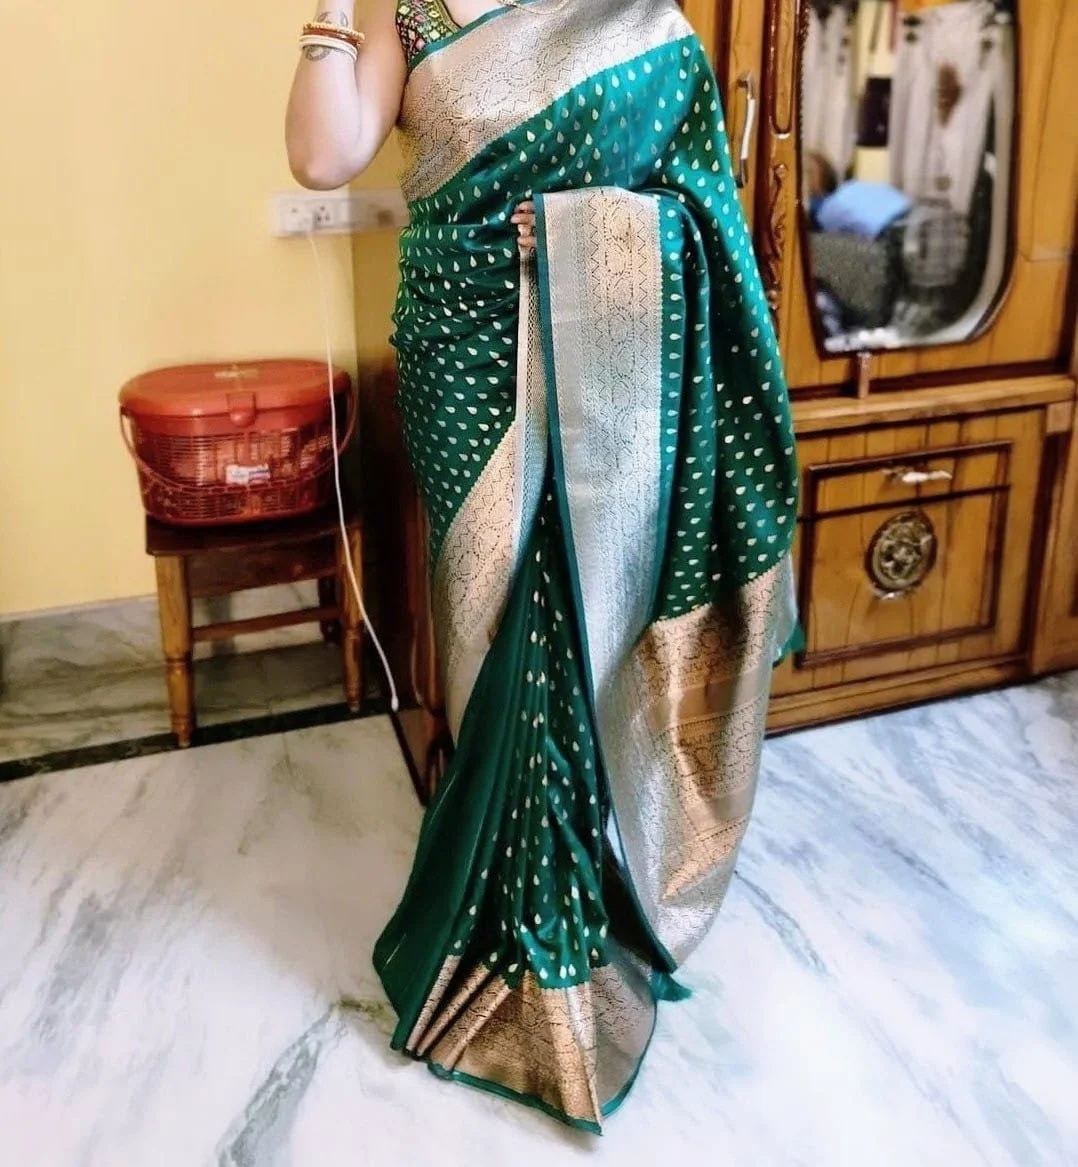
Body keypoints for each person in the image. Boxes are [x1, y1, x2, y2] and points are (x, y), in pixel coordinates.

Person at [287, 0, 799, 1133]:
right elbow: (324, 157)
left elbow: (699, 209)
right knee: (498, 640)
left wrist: (592, 240)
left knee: (562, 656)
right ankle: (494, 936)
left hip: (608, 357)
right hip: (463, 349)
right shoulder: (406, 10)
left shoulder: (633, 15)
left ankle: (551, 948)